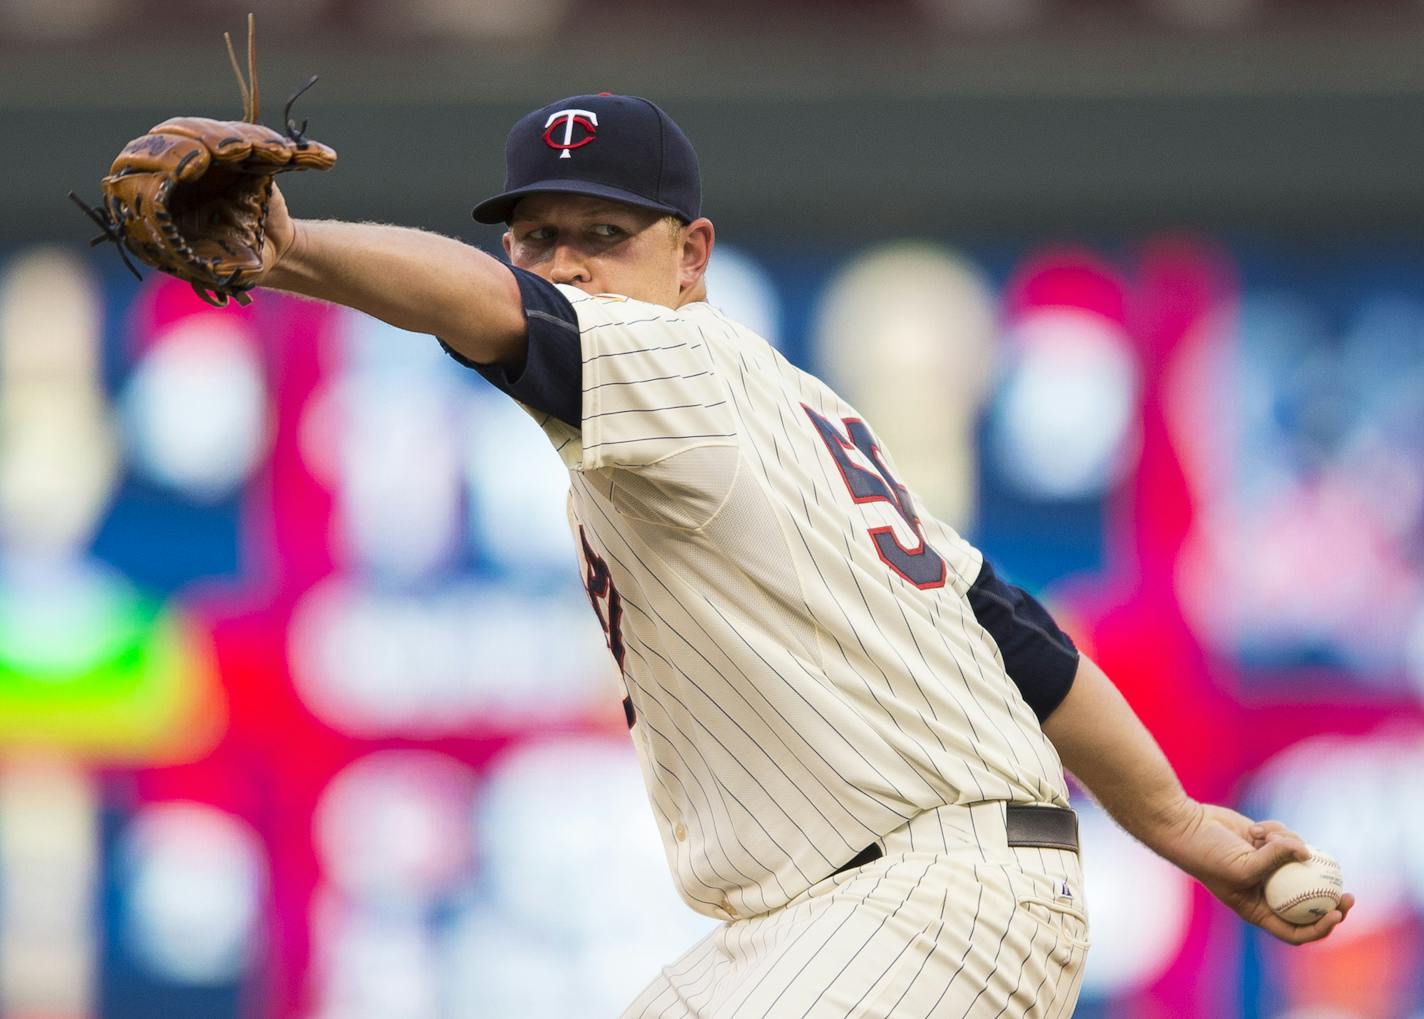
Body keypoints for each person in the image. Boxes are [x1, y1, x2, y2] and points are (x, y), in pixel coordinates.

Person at [252, 94, 1349, 1016]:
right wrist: (1178, 823)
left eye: (603, 233)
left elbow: (494, 309)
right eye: (540, 236)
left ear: (691, 256)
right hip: (848, 915)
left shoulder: (667, 363)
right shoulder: (793, 406)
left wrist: (284, 247)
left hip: (915, 908)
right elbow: (1010, 630)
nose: (568, 265)